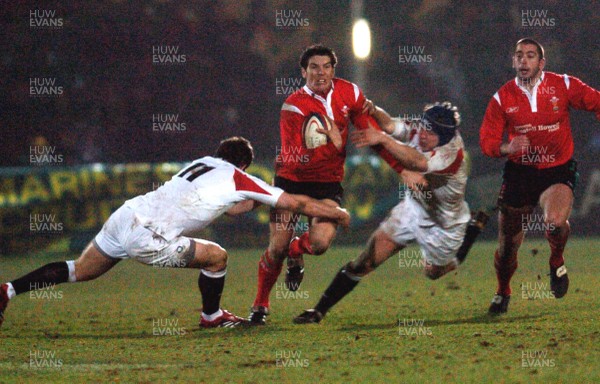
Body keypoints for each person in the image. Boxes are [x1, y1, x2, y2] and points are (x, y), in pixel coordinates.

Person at [0, 137, 350, 329]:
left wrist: (257, 197)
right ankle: (211, 316)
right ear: (243, 163)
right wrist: (334, 211)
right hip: (150, 235)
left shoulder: (201, 164)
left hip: (127, 215)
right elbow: (298, 203)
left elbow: (232, 205)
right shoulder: (240, 177)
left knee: (80, 269)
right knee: (218, 258)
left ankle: (8, 289)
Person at [249, 44, 403, 325]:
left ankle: (297, 252)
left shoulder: (351, 93)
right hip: (291, 182)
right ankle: (260, 305)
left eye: (326, 67)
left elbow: (372, 135)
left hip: (327, 184)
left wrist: (402, 170)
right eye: (314, 67)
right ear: (303, 71)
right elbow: (295, 157)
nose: (320, 73)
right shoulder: (292, 106)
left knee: (319, 244)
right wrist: (332, 140)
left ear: (334, 69)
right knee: (277, 248)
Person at [294, 101, 470, 324]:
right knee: (364, 262)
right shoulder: (421, 130)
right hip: (413, 209)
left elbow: (416, 161)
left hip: (444, 223)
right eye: (424, 127)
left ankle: (469, 235)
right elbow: (388, 125)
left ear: (444, 137)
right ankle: (318, 311)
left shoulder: (451, 153)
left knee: (433, 272)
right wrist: (374, 109)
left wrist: (384, 140)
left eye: (431, 133)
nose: (423, 135)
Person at [480, 38, 600, 314]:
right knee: (508, 245)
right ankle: (503, 291)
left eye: (530, 55)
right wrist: (506, 147)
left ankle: (556, 260)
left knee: (555, 223)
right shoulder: (502, 98)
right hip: (520, 173)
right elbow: (487, 140)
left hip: (557, 170)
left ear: (541, 63)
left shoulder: (564, 85)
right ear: (513, 62)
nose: (523, 60)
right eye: (519, 55)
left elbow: (596, 101)